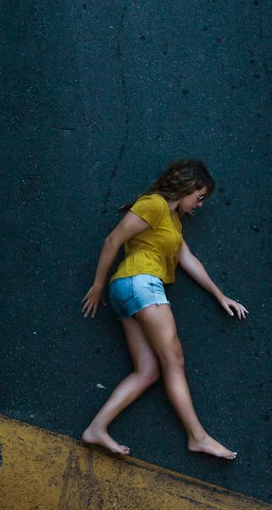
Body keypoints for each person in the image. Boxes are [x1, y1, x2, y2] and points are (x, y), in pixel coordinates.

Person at [81, 159, 247, 459]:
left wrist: (220, 295)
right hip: (141, 284)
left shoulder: (173, 221)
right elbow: (113, 239)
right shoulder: (154, 204)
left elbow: (188, 260)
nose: (200, 204)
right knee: (175, 359)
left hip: (130, 291)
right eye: (200, 197)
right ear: (187, 187)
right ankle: (197, 437)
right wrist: (97, 285)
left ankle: (96, 428)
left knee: (149, 371)